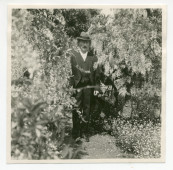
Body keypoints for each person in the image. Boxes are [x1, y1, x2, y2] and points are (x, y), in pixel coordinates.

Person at [67, 32, 99, 142]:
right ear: (79, 42)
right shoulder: (73, 55)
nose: (84, 44)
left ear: (89, 44)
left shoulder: (93, 57)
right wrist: (70, 87)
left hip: (88, 87)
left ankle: (85, 132)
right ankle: (76, 132)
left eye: (86, 42)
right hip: (76, 87)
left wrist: (96, 88)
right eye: (82, 42)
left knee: (87, 109)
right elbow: (69, 72)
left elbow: (97, 74)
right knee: (76, 108)